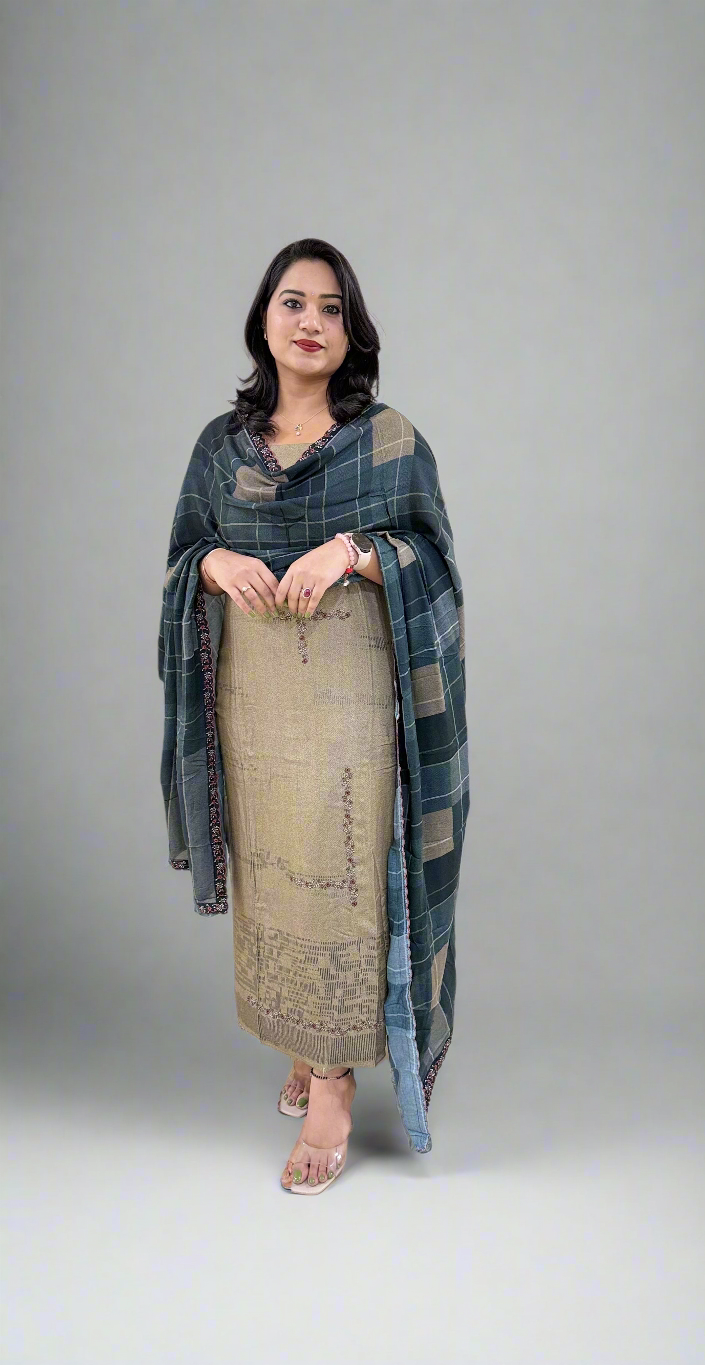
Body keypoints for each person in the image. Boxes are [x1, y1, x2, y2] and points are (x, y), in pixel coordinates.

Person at [159, 238, 469, 1196]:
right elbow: (186, 554)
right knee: (273, 872)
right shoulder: (221, 447)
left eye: (331, 308)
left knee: (338, 875)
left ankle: (332, 1082)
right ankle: (302, 1038)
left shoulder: (388, 440)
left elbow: (435, 563)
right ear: (263, 320)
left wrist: (354, 550)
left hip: (348, 701)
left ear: (351, 330)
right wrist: (215, 563)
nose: (310, 322)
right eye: (293, 302)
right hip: (253, 708)